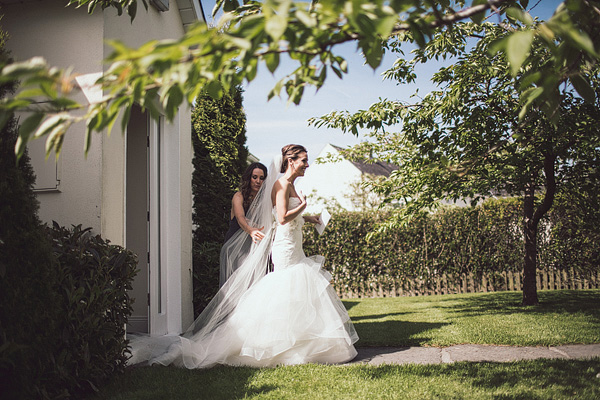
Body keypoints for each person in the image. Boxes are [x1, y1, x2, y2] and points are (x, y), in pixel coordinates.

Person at [128, 144, 358, 368]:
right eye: (304, 160)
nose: (307, 164)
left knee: (297, 286)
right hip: (285, 246)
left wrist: (311, 217)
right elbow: (281, 217)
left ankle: (297, 343)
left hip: (294, 244)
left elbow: (285, 213)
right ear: (291, 161)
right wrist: (303, 206)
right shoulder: (281, 183)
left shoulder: (291, 185)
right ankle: (266, 342)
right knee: (287, 285)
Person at [220, 162, 268, 286]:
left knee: (255, 285)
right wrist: (250, 230)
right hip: (235, 248)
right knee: (237, 286)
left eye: (261, 178)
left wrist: (307, 218)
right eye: (255, 177)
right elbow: (241, 218)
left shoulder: (264, 201)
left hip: (254, 247)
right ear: (249, 178)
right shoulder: (238, 196)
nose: (258, 181)